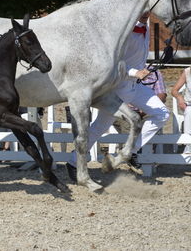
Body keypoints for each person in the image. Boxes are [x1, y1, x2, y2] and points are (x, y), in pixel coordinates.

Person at [66, 12, 170, 180]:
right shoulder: (125, 31)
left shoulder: (146, 27)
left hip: (135, 87)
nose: (145, 14)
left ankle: (130, 151)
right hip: (119, 87)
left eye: (147, 10)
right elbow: (115, 62)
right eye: (142, 11)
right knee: (100, 126)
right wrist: (136, 72)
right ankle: (73, 162)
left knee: (162, 113)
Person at [171, 67, 191, 153]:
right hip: (190, 105)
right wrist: (180, 98)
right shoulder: (187, 71)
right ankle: (189, 145)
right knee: (189, 111)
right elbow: (174, 90)